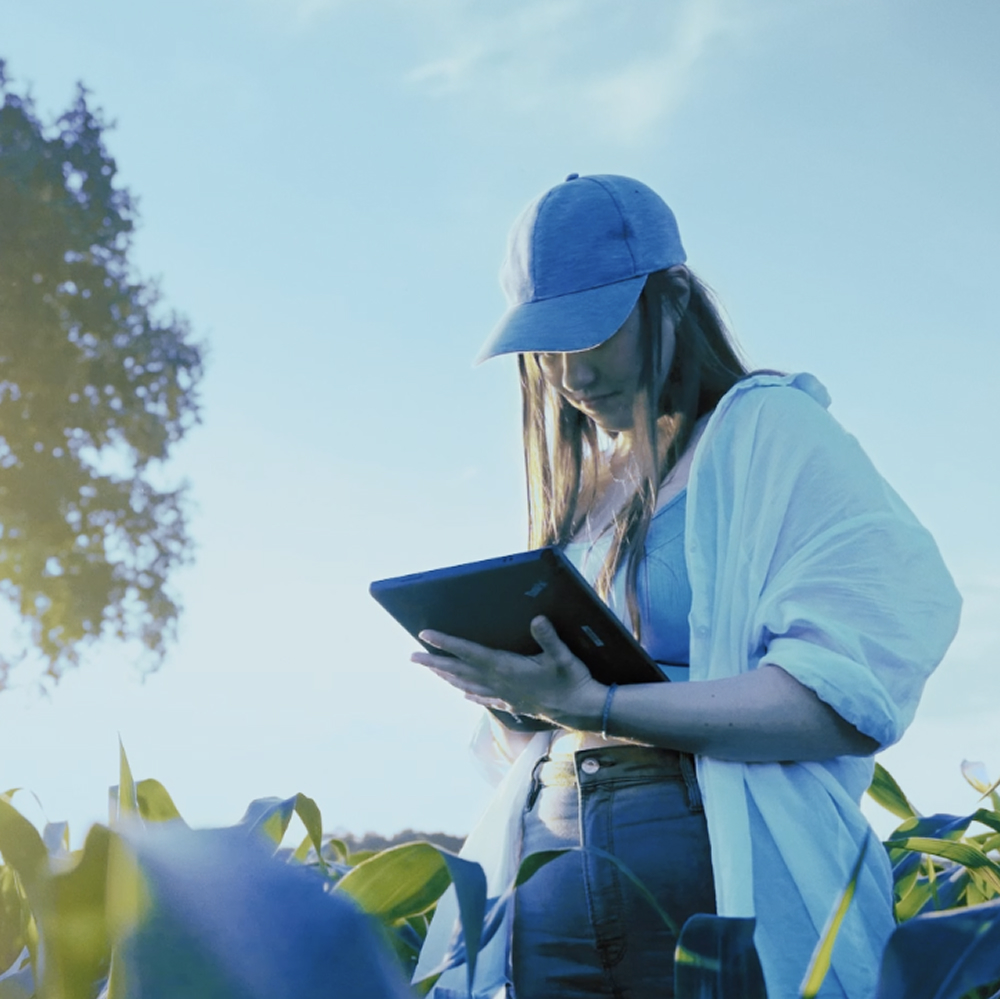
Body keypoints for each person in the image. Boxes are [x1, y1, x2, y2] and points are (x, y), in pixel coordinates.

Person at [410, 174, 961, 999]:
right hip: (548, 870)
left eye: (591, 332)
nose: (569, 370)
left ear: (670, 301)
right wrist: (512, 694)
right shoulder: (586, 497)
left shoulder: (769, 433)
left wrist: (597, 705)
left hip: (707, 895)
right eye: (546, 343)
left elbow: (843, 698)